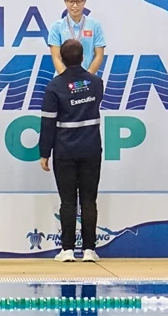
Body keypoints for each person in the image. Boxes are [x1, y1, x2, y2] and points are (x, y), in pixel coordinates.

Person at [38, 39, 104, 263]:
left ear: (62, 58)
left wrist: (44, 152)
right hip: (92, 149)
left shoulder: (55, 86)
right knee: (89, 200)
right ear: (83, 56)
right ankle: (89, 250)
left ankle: (66, 250)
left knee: (67, 201)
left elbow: (47, 123)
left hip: (65, 151)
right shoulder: (96, 83)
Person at [48, 0, 106, 75]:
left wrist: (87, 78)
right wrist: (67, 79)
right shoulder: (56, 27)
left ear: (84, 1)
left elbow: (99, 55)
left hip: (88, 80)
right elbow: (56, 57)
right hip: (63, 80)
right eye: (71, 1)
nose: (75, 5)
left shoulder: (94, 25)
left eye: (79, 1)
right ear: (65, 2)